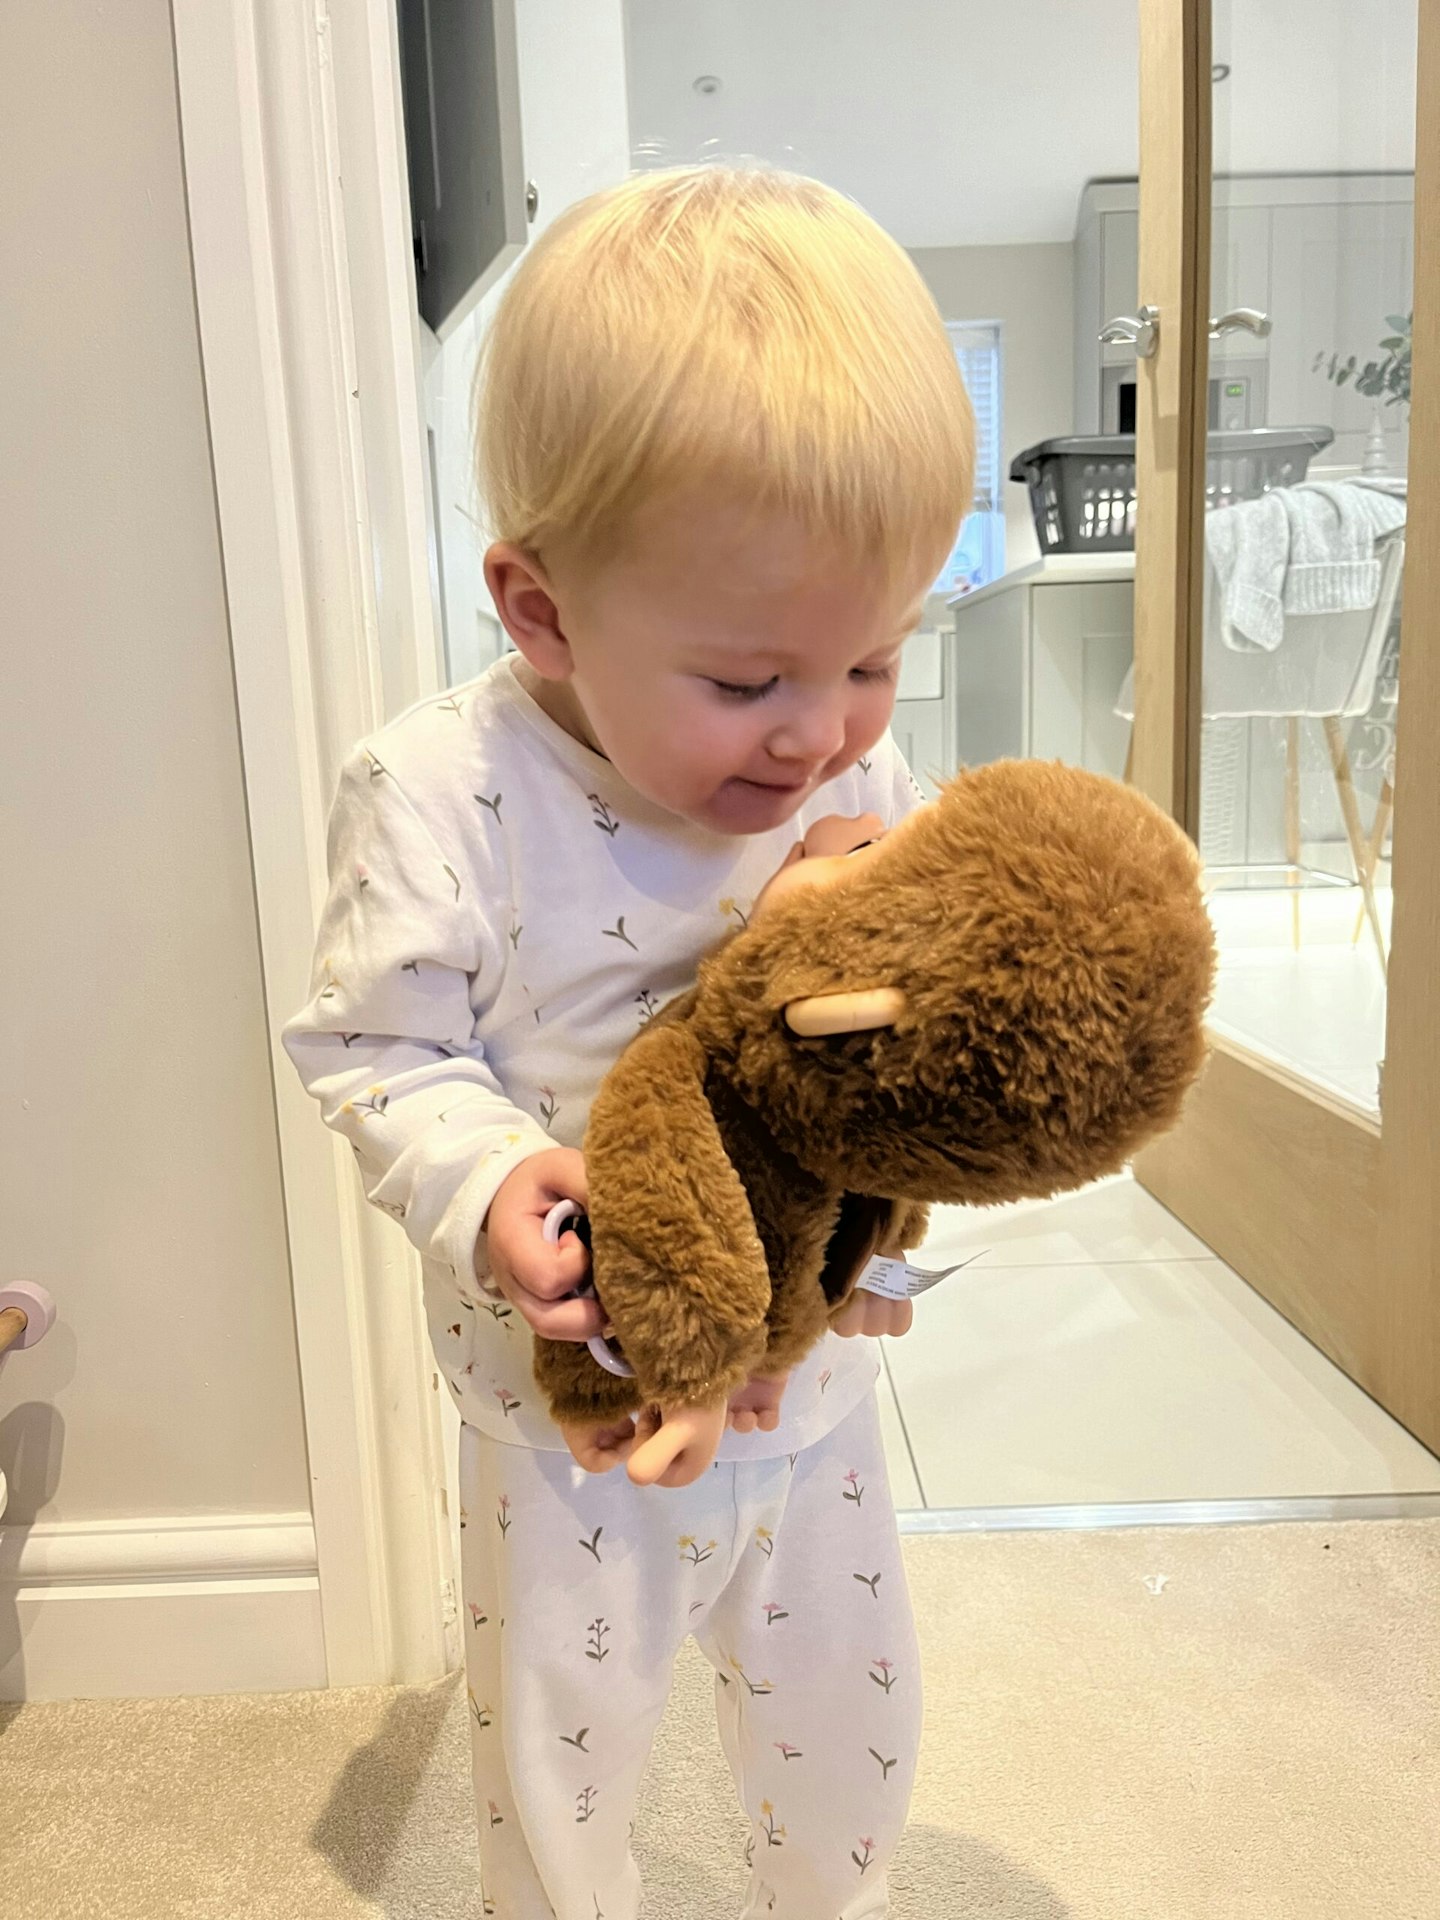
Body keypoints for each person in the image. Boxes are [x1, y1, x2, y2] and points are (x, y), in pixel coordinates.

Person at [284, 162, 974, 1920]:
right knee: (563, 1744)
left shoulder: (855, 780)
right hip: (564, 1407)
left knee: (848, 1726)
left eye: (875, 662)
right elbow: (373, 1048)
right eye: (750, 681)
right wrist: (497, 1180)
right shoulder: (440, 790)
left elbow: (889, 1051)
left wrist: (905, 1212)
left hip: (809, 1390)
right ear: (544, 611)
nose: (820, 737)